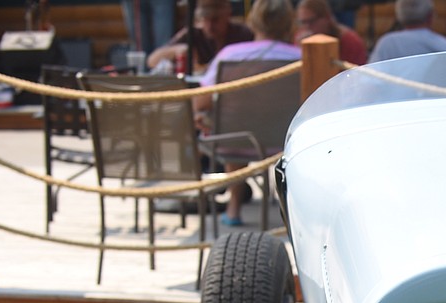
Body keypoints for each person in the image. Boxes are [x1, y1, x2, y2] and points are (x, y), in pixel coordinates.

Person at [193, 0, 302, 226]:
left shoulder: (230, 55)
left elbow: (200, 103)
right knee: (244, 124)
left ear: (253, 21)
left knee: (234, 125)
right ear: (290, 23)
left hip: (235, 141)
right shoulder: (303, 57)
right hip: (287, 143)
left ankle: (233, 208)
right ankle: (295, 211)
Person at [147, 0, 254, 74]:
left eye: (215, 19)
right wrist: (178, 49)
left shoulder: (242, 34)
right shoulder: (193, 34)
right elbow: (152, 61)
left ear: (227, 15)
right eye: (205, 19)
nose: (210, 25)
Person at [368, 0, 446, 63]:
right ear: (430, 16)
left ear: (399, 16)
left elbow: (371, 78)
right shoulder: (442, 43)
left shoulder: (387, 43)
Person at [294, 0, 368, 66]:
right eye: (303, 22)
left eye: (311, 21)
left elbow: (357, 74)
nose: (307, 28)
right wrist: (299, 51)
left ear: (326, 18)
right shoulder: (301, 38)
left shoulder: (350, 41)